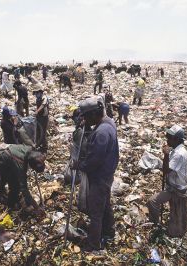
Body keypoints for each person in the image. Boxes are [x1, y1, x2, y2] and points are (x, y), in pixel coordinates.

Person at [75, 97, 119, 251]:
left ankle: (93, 243)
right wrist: (87, 127)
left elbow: (94, 160)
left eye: (87, 116)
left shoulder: (101, 132)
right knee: (105, 204)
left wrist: (79, 165)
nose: (85, 119)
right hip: (107, 174)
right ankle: (109, 232)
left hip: (100, 176)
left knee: (96, 212)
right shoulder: (108, 122)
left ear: (94, 114)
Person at [146, 125, 187, 237]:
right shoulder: (176, 150)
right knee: (152, 201)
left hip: (177, 190)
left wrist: (165, 154)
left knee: (175, 231)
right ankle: (155, 224)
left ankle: (175, 227)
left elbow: (166, 170)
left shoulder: (179, 153)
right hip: (171, 187)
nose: (167, 140)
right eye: (168, 137)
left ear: (178, 140)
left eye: (170, 138)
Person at [0, 144, 46, 216]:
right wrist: (36, 206)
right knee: (15, 186)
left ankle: (1, 190)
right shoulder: (21, 166)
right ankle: (10, 206)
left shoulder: (31, 149)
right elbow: (24, 189)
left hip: (5, 156)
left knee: (10, 178)